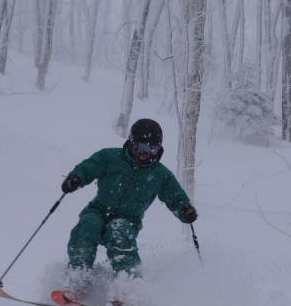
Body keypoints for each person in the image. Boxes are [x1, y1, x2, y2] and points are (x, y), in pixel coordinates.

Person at [60, 118, 197, 290]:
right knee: (87, 226)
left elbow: (175, 196)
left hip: (128, 220)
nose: (144, 153)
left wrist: (185, 209)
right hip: (98, 210)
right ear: (131, 142)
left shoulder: (160, 175)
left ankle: (127, 287)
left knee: (118, 232)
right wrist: (76, 178)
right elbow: (88, 167)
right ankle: (77, 278)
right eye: (140, 147)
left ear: (158, 148)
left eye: (150, 148)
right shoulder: (110, 157)